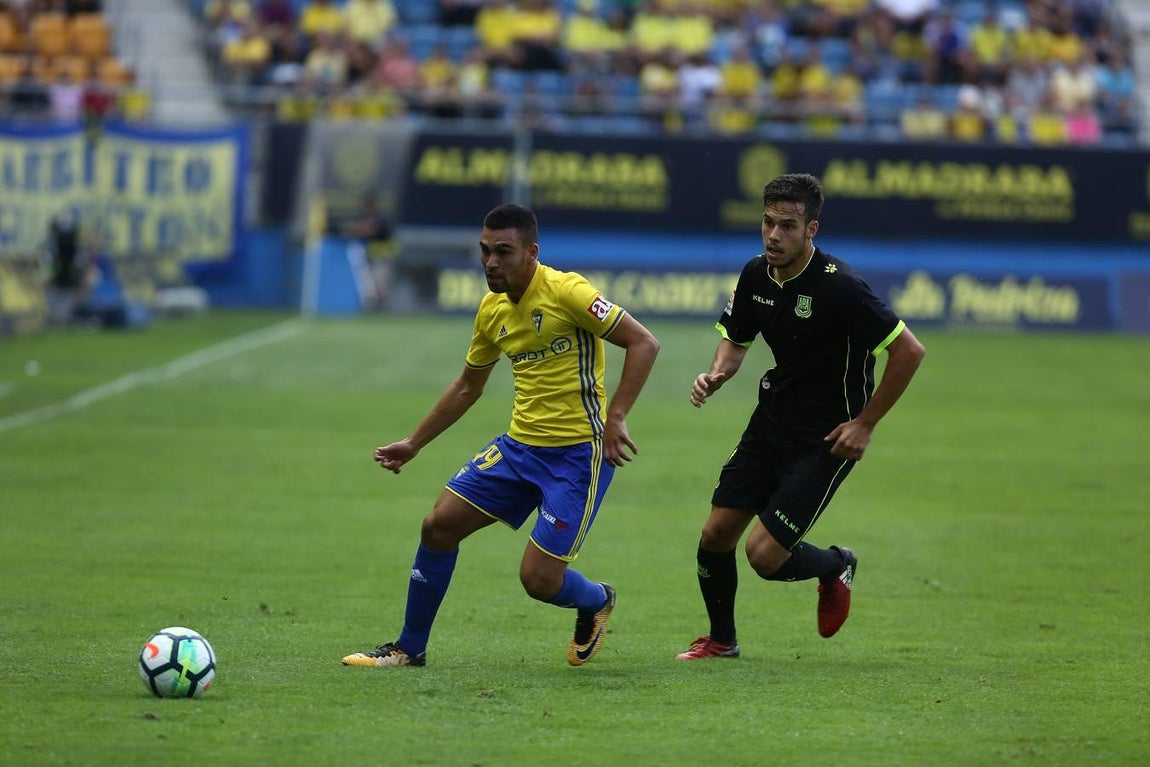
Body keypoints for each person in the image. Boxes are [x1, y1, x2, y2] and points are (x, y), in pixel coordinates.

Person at [342, 203, 661, 668]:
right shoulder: (492, 310)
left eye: (503, 252)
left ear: (531, 252)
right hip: (518, 449)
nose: (491, 262)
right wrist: (414, 443)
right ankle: (409, 648)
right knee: (438, 526)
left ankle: (595, 599)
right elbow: (469, 386)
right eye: (485, 251)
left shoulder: (569, 292)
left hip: (578, 455)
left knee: (538, 580)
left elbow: (644, 342)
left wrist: (617, 418)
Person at [677, 173, 925, 660]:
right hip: (772, 418)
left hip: (828, 436)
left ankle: (834, 566)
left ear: (812, 229)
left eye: (788, 226)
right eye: (768, 223)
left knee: (764, 557)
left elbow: (909, 352)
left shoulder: (843, 288)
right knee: (716, 533)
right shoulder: (755, 275)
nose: (774, 235)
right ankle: (722, 640)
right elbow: (737, 337)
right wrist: (717, 373)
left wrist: (865, 423)